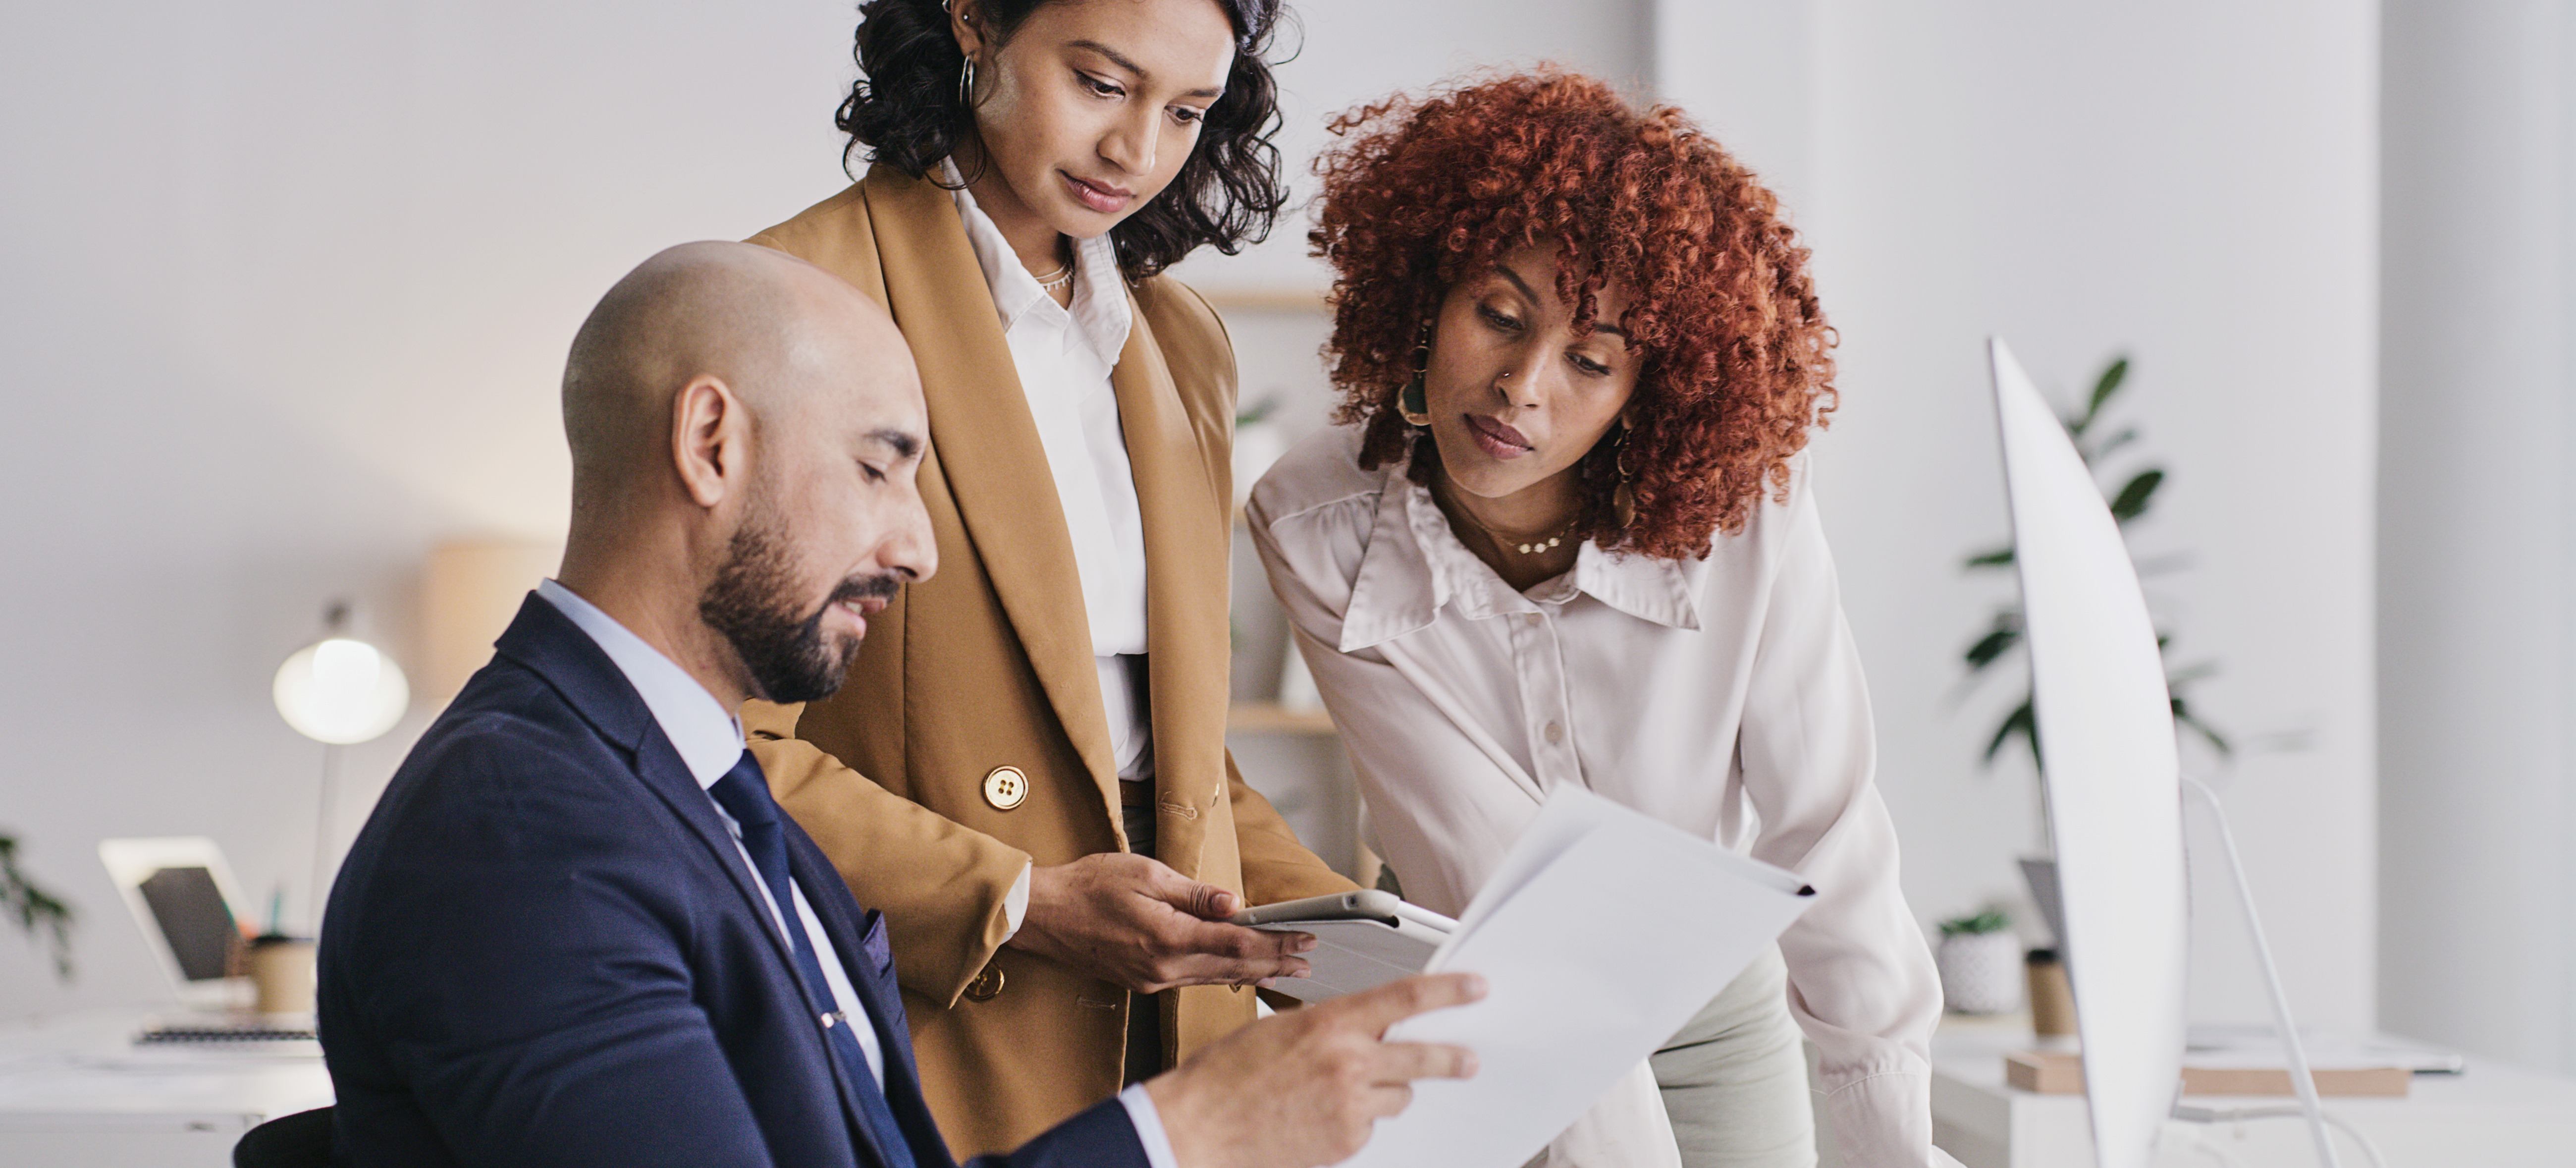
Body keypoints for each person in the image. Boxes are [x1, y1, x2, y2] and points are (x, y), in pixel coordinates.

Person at [317, 241, 1480, 1168]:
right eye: (880, 467)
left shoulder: (703, 790)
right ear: (710, 443)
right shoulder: (521, 836)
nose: (918, 546)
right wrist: (1189, 1135)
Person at [1246, 73, 1946, 1168]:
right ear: (1427, 293)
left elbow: (1828, 828)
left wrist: (1890, 1143)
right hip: (1466, 999)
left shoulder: (1744, 515)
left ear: (1649, 394)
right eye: (1498, 316)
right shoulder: (1315, 523)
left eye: (1589, 360)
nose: (1521, 386)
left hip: (1711, 1023)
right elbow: (1480, 863)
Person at [738, 0, 1357, 1154]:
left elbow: (1171, 753)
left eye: (1184, 112)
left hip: (1186, 1040)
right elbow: (712, 744)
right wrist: (1018, 899)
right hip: (944, 1015)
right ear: (973, 21)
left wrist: (1351, 932)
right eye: (1100, 84)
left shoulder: (1179, 342)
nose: (1137, 153)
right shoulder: (793, 299)